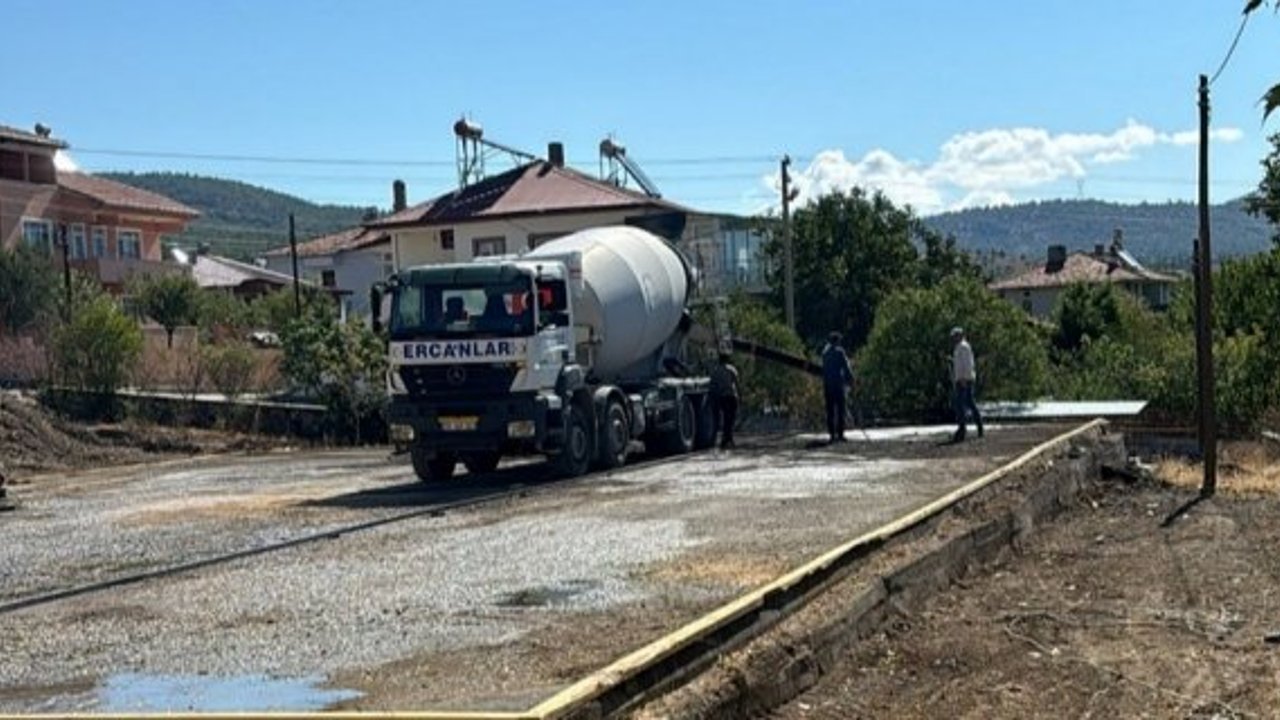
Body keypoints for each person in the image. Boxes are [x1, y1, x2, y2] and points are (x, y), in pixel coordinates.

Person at [951, 326, 984, 442]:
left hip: (964, 380)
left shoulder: (963, 347)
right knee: (969, 404)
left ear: (960, 335)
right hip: (962, 380)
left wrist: (964, 379)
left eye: (955, 336)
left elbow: (967, 364)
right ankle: (976, 427)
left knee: (961, 405)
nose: (954, 338)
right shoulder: (959, 347)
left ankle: (963, 429)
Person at [821, 331, 854, 443]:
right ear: (837, 341)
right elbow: (846, 367)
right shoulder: (840, 352)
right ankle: (840, 434)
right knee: (841, 410)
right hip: (838, 385)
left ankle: (832, 435)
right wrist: (851, 380)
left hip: (827, 385)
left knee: (830, 411)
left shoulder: (824, 353)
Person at [708, 352, 740, 449]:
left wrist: (712, 398)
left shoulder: (715, 371)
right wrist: (740, 396)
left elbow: (712, 386)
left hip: (721, 397)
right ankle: (728, 440)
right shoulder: (732, 369)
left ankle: (723, 440)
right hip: (731, 396)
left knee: (723, 419)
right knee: (730, 420)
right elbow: (736, 383)